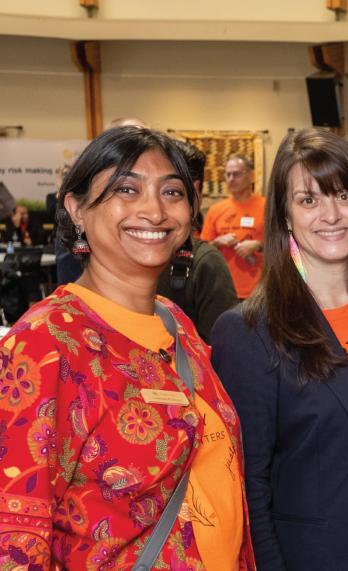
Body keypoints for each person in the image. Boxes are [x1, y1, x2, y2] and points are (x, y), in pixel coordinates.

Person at [0, 126, 254, 569]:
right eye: (126, 189)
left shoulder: (178, 325)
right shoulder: (44, 344)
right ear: (76, 209)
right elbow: (15, 534)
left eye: (171, 191)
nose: (154, 210)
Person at [211, 129, 348, 571]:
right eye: (308, 200)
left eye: (343, 196)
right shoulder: (248, 332)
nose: (331, 214)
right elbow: (249, 487)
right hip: (321, 557)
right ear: (283, 217)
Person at [157, 140, 238, 341]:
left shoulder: (205, 263)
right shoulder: (119, 253)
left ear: (194, 192)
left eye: (170, 191)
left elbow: (223, 349)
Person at [201, 153, 265, 299]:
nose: (231, 179)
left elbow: (284, 245)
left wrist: (258, 245)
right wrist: (217, 242)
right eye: (228, 174)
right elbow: (203, 250)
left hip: (259, 291)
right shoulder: (216, 210)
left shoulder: (267, 207)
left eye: (236, 174)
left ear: (251, 176)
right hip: (223, 288)